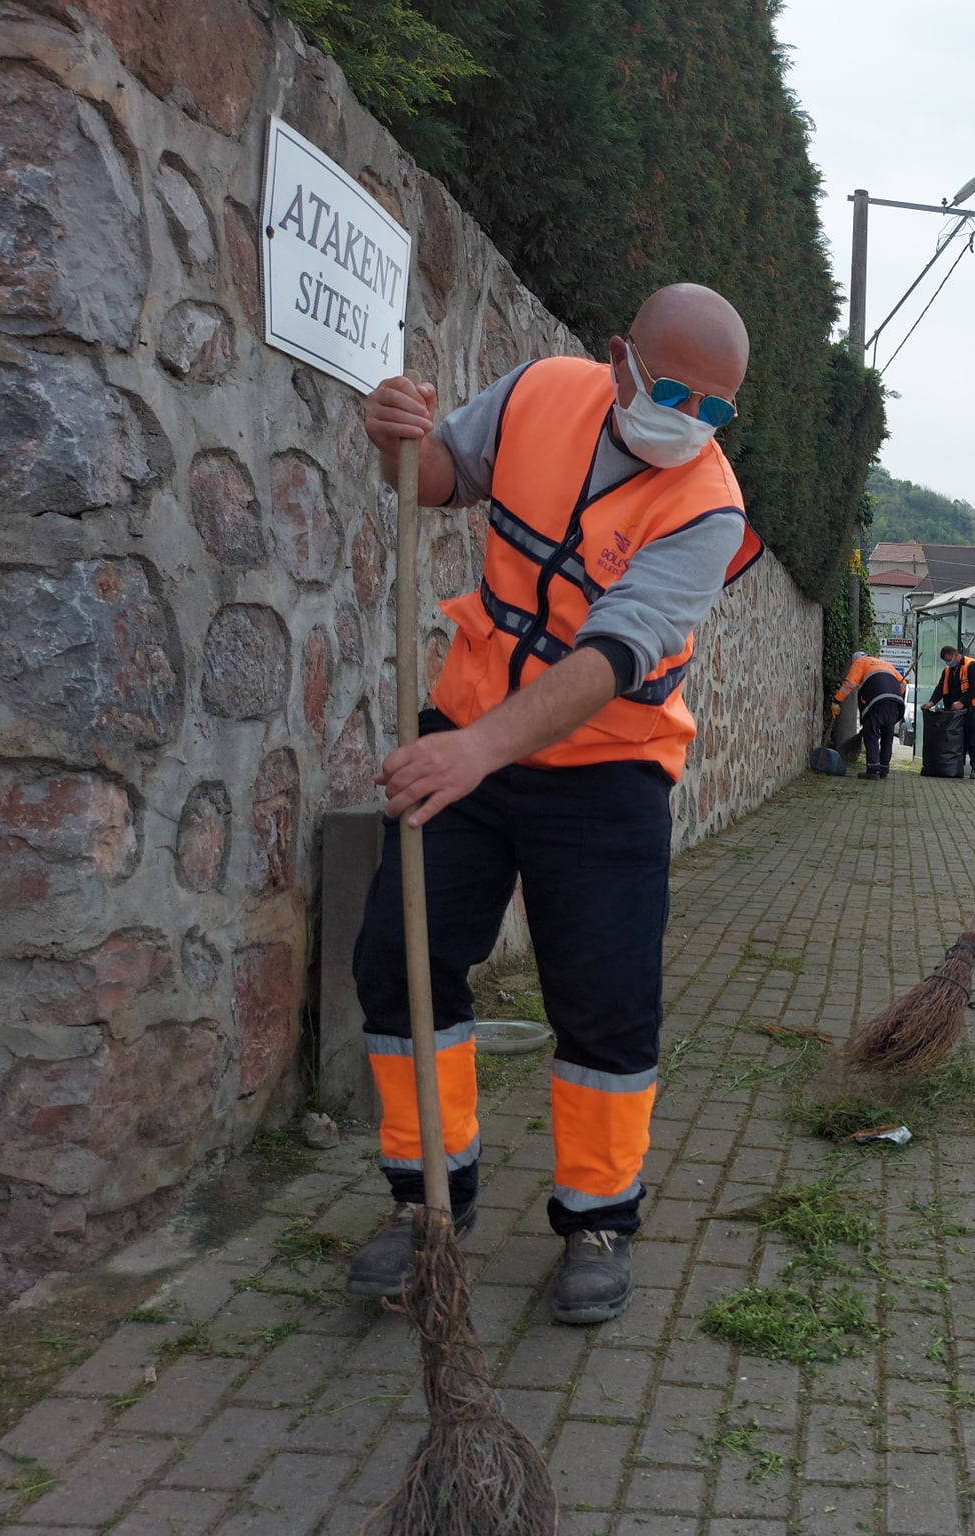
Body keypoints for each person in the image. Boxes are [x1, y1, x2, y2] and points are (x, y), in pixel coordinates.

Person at [345, 282, 761, 1324]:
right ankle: (427, 1200)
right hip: (468, 728)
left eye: (717, 410)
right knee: (399, 958)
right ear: (620, 357)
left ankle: (597, 1221)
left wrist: (479, 752)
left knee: (603, 999)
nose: (693, 423)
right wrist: (396, 435)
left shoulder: (710, 509)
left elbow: (613, 656)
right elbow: (441, 476)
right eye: (675, 393)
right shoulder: (540, 392)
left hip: (607, 769)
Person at [833, 650, 906, 780]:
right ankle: (883, 769)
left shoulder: (859, 662)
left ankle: (872, 770)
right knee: (887, 736)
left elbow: (849, 684)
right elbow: (903, 684)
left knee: (871, 735)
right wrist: (894, 696)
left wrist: (836, 702)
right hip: (895, 703)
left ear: (855, 660)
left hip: (877, 703)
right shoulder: (885, 663)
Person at [929, 644, 975, 778]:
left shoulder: (972, 665)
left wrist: (962, 702)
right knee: (957, 739)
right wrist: (931, 702)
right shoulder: (947, 671)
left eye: (949, 659)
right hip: (957, 710)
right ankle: (956, 766)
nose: (948, 663)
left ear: (956, 655)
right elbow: (940, 688)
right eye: (946, 661)